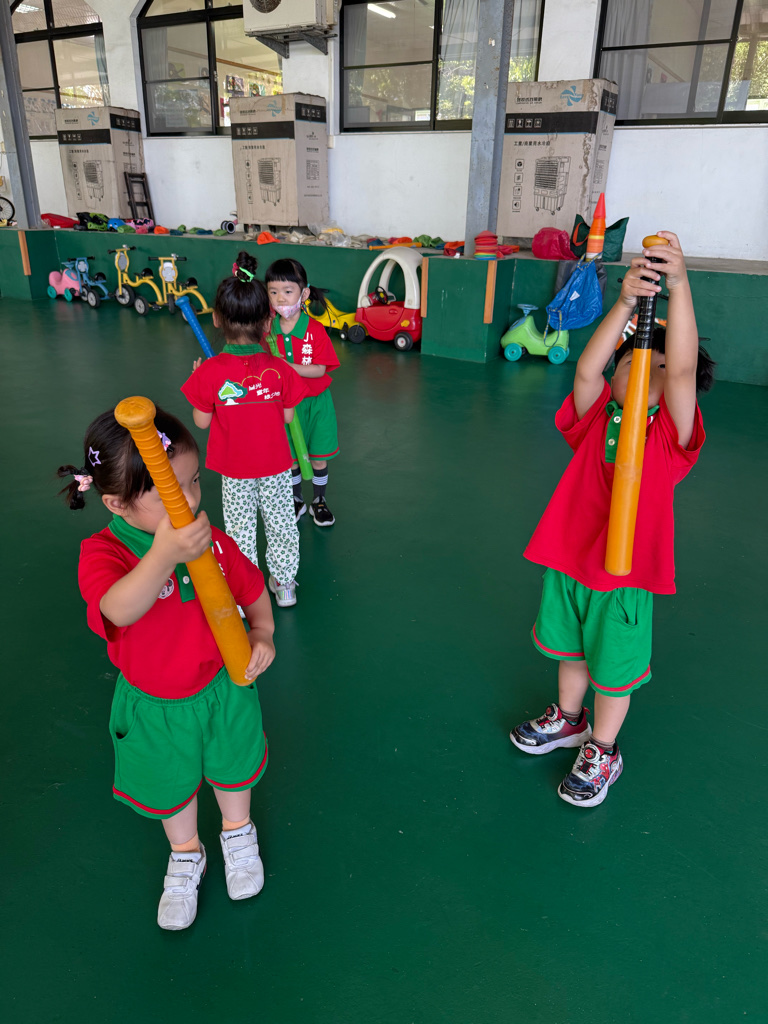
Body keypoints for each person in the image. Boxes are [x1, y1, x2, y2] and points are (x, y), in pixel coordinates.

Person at [509, 232, 715, 807]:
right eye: (636, 362)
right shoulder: (598, 417)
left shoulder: (668, 437)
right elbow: (586, 371)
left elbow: (680, 373)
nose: (648, 372)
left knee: (612, 671)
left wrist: (679, 286)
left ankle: (603, 747)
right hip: (569, 562)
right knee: (570, 653)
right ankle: (569, 719)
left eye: (661, 368)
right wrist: (624, 302)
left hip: (623, 579)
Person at [60, 406, 276, 930]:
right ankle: (186, 853)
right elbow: (117, 609)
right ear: (116, 503)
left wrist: (263, 632)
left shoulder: (210, 539)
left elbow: (251, 589)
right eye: (170, 493)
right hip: (154, 706)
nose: (191, 501)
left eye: (194, 481)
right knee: (171, 786)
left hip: (223, 687)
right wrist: (163, 555)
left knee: (232, 768)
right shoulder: (104, 552)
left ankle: (237, 831)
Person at [181, 252, 330, 608]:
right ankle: (285, 584)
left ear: (217, 319)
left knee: (240, 531)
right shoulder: (281, 369)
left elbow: (201, 422)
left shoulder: (209, 372)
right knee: (281, 525)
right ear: (267, 321)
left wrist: (202, 382)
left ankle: (247, 592)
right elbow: (288, 417)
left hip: (234, 470)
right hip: (276, 465)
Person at [264, 257, 341, 527]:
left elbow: (320, 369)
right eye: (273, 292)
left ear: (304, 294)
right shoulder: (267, 330)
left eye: (288, 291)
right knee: (292, 460)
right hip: (284, 406)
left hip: (315, 405)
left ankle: (318, 501)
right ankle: (296, 499)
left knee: (318, 459)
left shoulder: (315, 330)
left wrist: (288, 367)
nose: (280, 299)